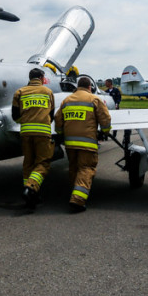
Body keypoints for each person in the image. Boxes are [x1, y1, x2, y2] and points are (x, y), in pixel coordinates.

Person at [54, 76, 112, 213]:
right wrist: (105, 132)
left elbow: (58, 119)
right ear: (90, 87)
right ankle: (78, 200)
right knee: (86, 168)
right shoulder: (94, 99)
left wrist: (60, 132)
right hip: (87, 143)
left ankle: (75, 192)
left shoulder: (66, 100)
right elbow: (105, 118)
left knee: (74, 168)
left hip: (69, 144)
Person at [12, 67, 56, 208]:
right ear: (42, 78)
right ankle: (30, 188)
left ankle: (31, 195)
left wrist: (25, 122)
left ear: (30, 78)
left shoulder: (20, 92)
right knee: (43, 163)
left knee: (28, 163)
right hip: (42, 133)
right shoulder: (48, 92)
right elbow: (52, 114)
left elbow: (15, 116)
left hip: (25, 133)